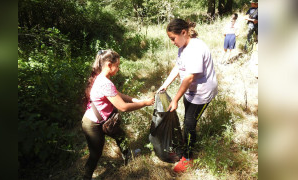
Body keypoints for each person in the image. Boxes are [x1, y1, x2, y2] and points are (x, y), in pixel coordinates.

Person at [82, 49, 154, 180]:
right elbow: (123, 107)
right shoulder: (105, 82)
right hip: (92, 124)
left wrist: (135, 100)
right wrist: (144, 103)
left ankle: (128, 156)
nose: (119, 69)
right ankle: (86, 177)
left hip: (105, 120)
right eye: (117, 65)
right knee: (95, 154)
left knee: (121, 136)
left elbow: (118, 95)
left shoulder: (103, 78)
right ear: (109, 65)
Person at [157, 19, 218, 173]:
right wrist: (165, 84)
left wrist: (176, 99)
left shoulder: (195, 48)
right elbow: (178, 66)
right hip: (191, 91)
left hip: (203, 92)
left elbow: (189, 77)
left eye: (173, 38)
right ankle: (187, 141)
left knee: (190, 123)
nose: (172, 42)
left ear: (183, 33)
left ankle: (188, 158)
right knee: (188, 120)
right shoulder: (183, 47)